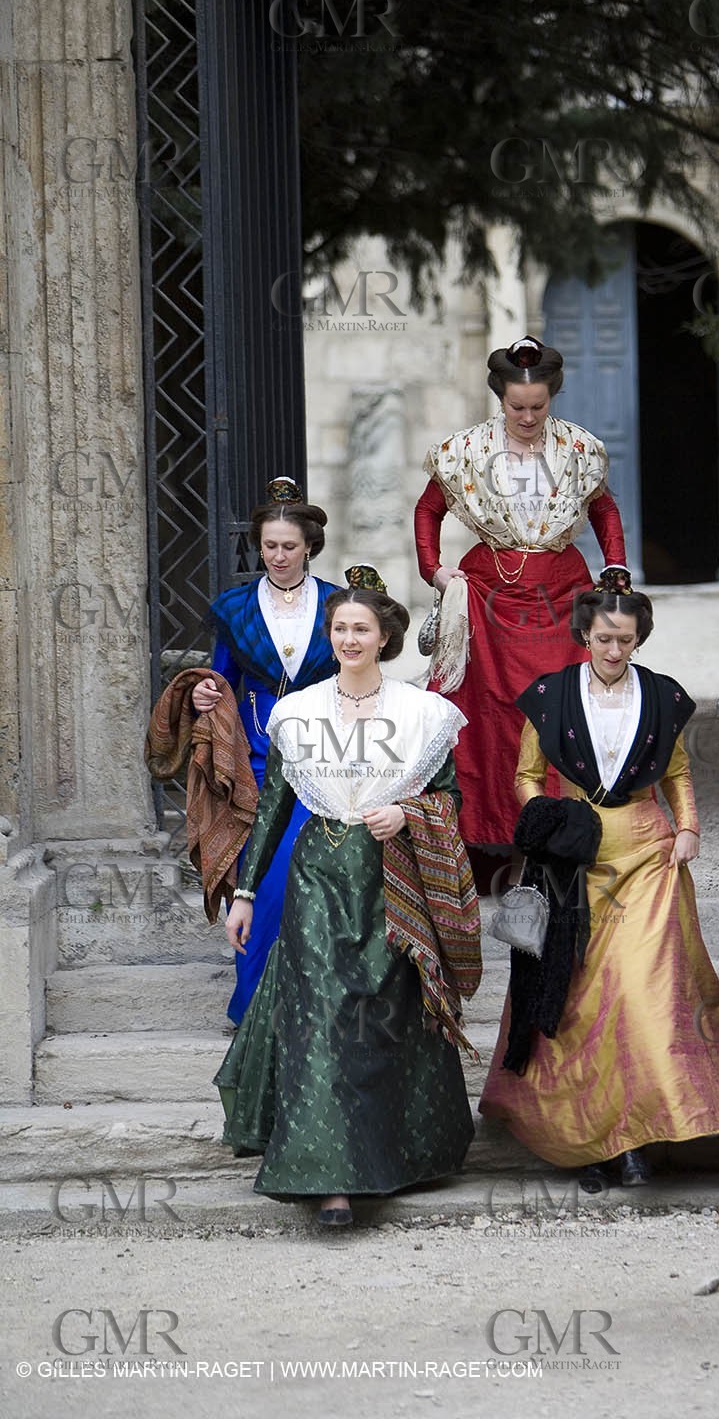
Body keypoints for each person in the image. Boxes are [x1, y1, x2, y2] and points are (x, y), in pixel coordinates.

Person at [214, 568, 481, 1226]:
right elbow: (272, 808)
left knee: (386, 1014)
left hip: (392, 879)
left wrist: (408, 813)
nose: (349, 639)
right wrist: (245, 892)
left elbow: (449, 798)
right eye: (339, 628)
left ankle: (394, 1157)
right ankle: (328, 1180)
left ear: (383, 636)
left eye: (361, 628)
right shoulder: (299, 713)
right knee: (323, 1017)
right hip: (317, 879)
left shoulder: (420, 714)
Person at [479, 583, 719, 1191]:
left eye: (625, 640)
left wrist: (689, 827)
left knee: (641, 989)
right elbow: (527, 776)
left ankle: (642, 1135)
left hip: (647, 850)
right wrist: (547, 822)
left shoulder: (662, 695)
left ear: (638, 640)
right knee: (577, 994)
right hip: (573, 854)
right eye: (603, 638)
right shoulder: (551, 696)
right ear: (584, 634)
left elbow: (677, 772)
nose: (613, 649)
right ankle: (597, 1136)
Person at [414, 335, 627, 892]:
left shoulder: (578, 449)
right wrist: (435, 571)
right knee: (490, 719)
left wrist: (616, 570)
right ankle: (491, 847)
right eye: (517, 407)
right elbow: (428, 510)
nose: (528, 417)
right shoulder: (466, 451)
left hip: (562, 596)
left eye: (538, 406)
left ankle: (566, 842)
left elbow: (604, 510)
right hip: (488, 595)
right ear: (500, 399)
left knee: (563, 712)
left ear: (552, 397)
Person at [191, 476, 340, 1023]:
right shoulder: (236, 608)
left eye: (289, 546)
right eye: (269, 545)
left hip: (325, 758)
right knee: (261, 882)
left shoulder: (337, 605)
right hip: (257, 761)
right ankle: (255, 1006)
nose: (278, 556)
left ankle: (316, 1001)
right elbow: (220, 679)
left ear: (309, 546)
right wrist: (205, 693)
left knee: (318, 882)